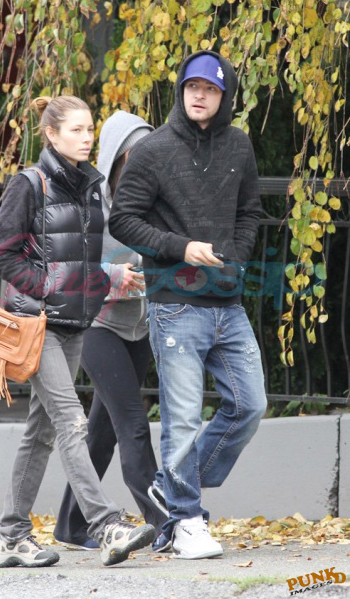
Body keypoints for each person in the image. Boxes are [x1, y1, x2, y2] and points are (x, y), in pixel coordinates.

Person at [109, 52, 268, 559]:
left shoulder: (239, 145)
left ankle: (169, 489)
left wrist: (235, 260)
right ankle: (187, 521)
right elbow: (122, 219)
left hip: (228, 302)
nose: (200, 95)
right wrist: (181, 248)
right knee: (181, 418)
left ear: (225, 97)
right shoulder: (153, 150)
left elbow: (250, 212)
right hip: (175, 304)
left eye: (211, 89)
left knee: (250, 405)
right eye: (192, 86)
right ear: (181, 90)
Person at [0, 95, 155, 568]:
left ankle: (11, 535)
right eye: (76, 130)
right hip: (36, 323)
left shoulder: (91, 188)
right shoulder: (29, 184)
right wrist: (48, 286)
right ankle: (106, 525)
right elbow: (0, 255)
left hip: (75, 324)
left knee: (41, 430)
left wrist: (106, 278)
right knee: (70, 420)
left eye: (90, 130)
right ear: (52, 134)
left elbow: (79, 262)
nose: (86, 139)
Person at [53, 111, 168, 552]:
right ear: (117, 157)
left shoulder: (154, 202)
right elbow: (66, 267)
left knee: (103, 431)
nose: (145, 162)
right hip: (97, 326)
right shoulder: (89, 204)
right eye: (136, 154)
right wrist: (114, 276)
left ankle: (70, 525)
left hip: (138, 328)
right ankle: (164, 522)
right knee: (133, 424)